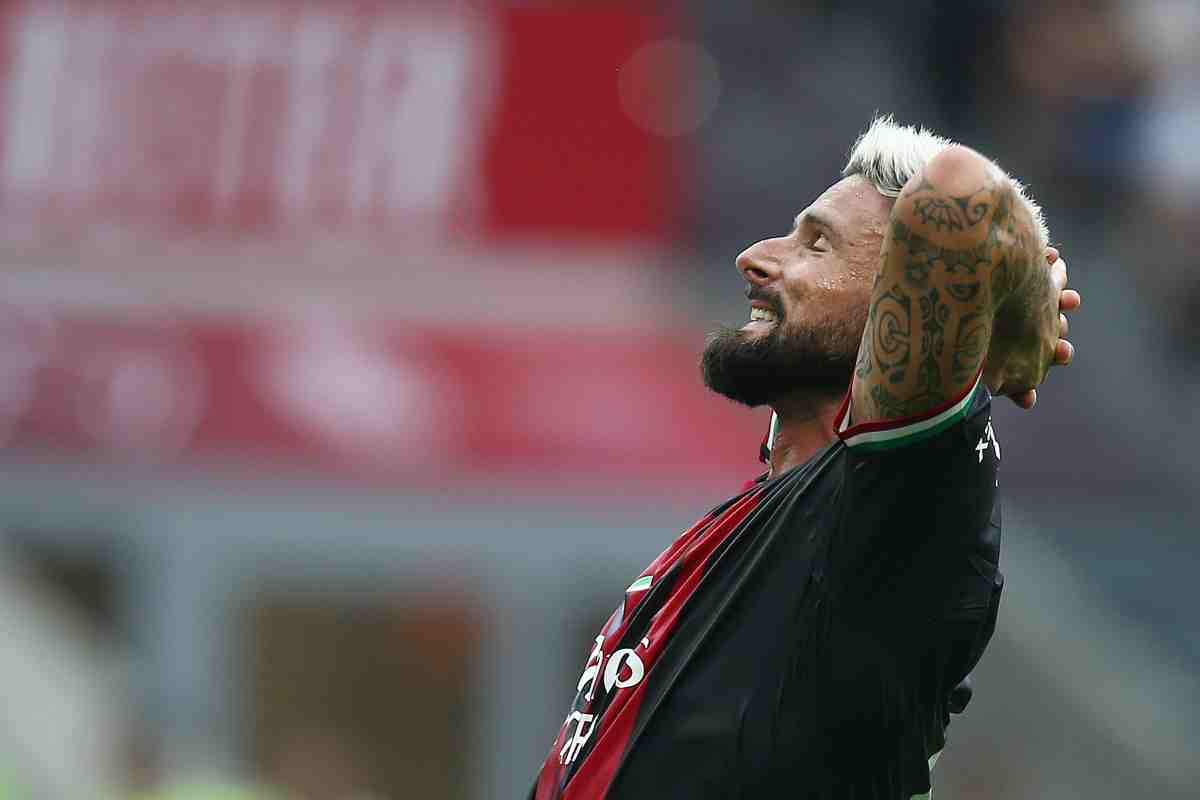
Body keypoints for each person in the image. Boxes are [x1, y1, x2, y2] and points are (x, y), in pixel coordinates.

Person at [530, 116, 1081, 799]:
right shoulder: (761, 518)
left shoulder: (897, 500)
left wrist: (1018, 304)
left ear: (903, 297)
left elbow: (960, 188)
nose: (754, 257)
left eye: (817, 244)